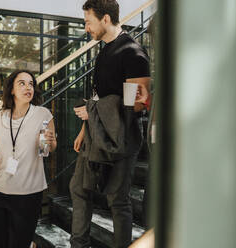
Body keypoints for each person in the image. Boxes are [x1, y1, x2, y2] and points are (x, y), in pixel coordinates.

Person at [69, 1, 150, 247]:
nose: (86, 28)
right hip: (95, 134)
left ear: (105, 19)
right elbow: (97, 95)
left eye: (88, 22)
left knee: (118, 201)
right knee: (78, 188)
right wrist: (86, 128)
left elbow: (136, 105)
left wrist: (93, 111)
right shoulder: (104, 50)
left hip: (121, 138)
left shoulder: (133, 53)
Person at [0, 69, 57, 248]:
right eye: (21, 83)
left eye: (31, 83)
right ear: (12, 90)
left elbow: (48, 149)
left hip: (28, 193)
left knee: (19, 243)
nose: (27, 87)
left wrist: (51, 142)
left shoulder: (43, 114)